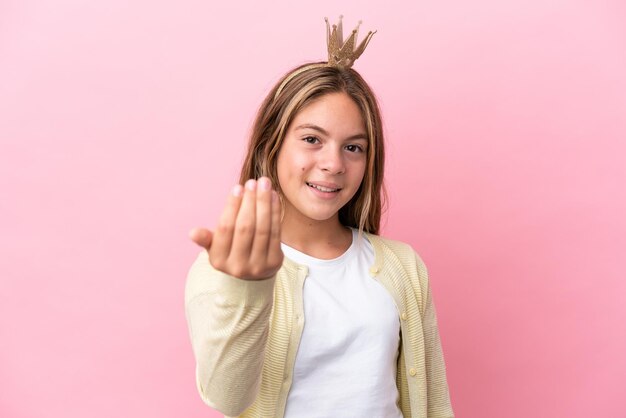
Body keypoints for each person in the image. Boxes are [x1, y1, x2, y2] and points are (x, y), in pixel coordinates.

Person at [184, 16, 454, 418]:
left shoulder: (403, 265)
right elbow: (228, 397)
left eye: (354, 147)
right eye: (312, 139)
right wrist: (248, 288)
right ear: (270, 145)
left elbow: (433, 404)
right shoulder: (226, 265)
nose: (333, 164)